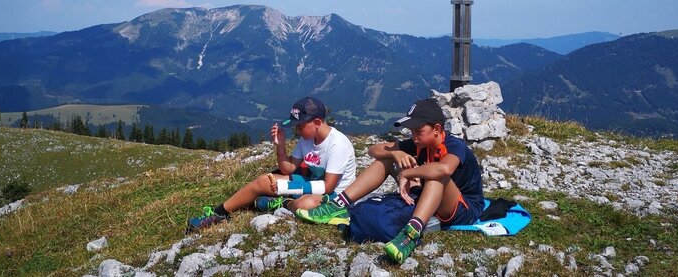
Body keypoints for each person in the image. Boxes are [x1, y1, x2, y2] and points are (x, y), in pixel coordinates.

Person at [296, 98, 484, 264]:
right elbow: (373, 150)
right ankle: (338, 205)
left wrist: (408, 174)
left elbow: (445, 169)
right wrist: (395, 153)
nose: (413, 137)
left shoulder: (454, 145)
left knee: (437, 176)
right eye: (411, 131)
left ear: (437, 129)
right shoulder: (419, 143)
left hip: (464, 208)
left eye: (419, 131)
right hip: (431, 196)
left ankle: (410, 235)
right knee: (385, 159)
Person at [186, 96, 357, 232]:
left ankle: (282, 203)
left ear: (317, 123)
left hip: (336, 196)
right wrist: (280, 145)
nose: (296, 130)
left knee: (306, 205)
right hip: (312, 183)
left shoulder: (338, 144)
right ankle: (219, 214)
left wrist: (286, 188)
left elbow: (328, 186)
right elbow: (288, 168)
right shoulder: (307, 140)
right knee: (263, 181)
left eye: (300, 126)